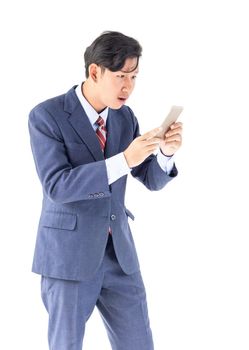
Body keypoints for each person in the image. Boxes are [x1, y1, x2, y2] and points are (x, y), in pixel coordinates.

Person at [28, 31, 183, 350]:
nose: (128, 86)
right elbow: (57, 185)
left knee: (139, 343)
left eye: (134, 76)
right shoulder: (47, 116)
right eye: (121, 75)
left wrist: (165, 154)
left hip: (120, 256)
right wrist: (124, 159)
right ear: (95, 71)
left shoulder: (124, 118)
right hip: (69, 257)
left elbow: (149, 178)